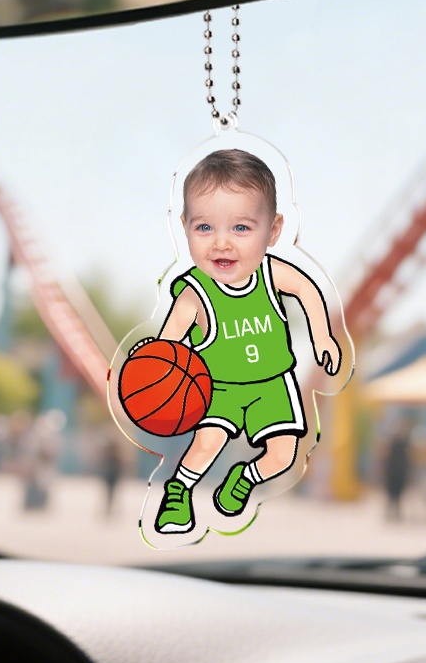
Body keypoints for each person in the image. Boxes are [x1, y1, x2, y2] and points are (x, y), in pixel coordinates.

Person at [144, 149, 342, 535]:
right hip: (220, 387)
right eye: (205, 228)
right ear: (184, 227)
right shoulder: (195, 294)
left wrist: (323, 337)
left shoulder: (273, 274)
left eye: (240, 228)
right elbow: (165, 349)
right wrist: (155, 373)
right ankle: (178, 494)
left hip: (272, 384)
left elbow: (308, 290)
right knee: (205, 445)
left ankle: (244, 477)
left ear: (274, 230)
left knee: (283, 456)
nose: (221, 243)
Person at [381, 420, 412, 522]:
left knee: (397, 495)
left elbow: (408, 459)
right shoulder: (393, 442)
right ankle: (391, 512)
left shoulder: (404, 443)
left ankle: (395, 512)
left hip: (399, 471)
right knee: (391, 494)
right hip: (393, 471)